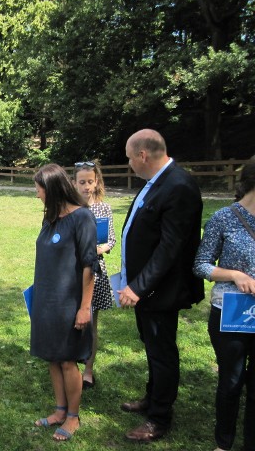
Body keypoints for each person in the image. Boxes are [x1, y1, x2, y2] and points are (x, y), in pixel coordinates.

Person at [117, 128, 204, 442]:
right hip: (146, 290)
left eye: (129, 158)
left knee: (162, 352)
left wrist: (138, 287)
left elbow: (170, 248)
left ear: (142, 155)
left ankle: (159, 418)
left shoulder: (178, 186)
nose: (129, 164)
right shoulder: (156, 184)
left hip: (161, 291)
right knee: (153, 348)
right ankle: (153, 399)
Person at [31, 163, 97, 442]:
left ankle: (73, 417)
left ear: (54, 189)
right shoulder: (51, 218)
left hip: (69, 303)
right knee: (52, 358)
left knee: (68, 361)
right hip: (46, 302)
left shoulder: (82, 218)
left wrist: (84, 307)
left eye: (39, 190)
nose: (37, 195)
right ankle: (59, 410)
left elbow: (89, 265)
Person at [193, 161, 255, 451]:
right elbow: (201, 264)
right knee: (231, 381)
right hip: (231, 313)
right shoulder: (224, 218)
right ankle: (224, 444)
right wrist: (234, 275)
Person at [73, 161, 116, 389]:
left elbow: (111, 240)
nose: (87, 186)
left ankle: (88, 370)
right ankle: (71, 365)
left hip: (96, 272)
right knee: (72, 320)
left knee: (91, 323)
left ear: (96, 182)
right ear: (74, 183)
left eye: (90, 181)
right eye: (82, 182)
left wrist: (100, 248)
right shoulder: (69, 207)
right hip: (72, 271)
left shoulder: (104, 208)